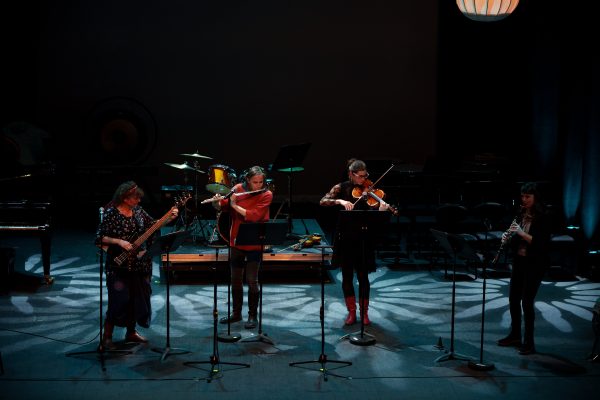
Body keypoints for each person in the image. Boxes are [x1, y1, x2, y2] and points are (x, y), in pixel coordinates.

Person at [96, 181, 178, 349]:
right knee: (118, 301)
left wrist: (168, 218)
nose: (139, 201)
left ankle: (131, 332)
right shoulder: (112, 213)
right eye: (135, 198)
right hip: (119, 265)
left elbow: (152, 226)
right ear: (125, 198)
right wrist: (119, 241)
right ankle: (107, 337)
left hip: (140, 264)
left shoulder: (139, 212)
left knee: (137, 299)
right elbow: (100, 237)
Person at [319, 159, 390, 326]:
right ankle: (351, 312)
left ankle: (364, 313)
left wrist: (381, 209)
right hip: (345, 238)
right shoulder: (340, 187)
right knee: (347, 276)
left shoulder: (369, 189)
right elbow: (323, 201)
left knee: (363, 277)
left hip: (364, 238)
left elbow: (375, 211)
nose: (363, 180)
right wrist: (340, 201)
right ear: (351, 174)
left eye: (365, 176)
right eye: (360, 177)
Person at [212, 166, 273, 329]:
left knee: (252, 280)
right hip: (236, 241)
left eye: (261, 182)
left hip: (254, 241)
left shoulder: (267, 194)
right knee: (235, 280)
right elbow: (223, 206)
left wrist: (234, 205)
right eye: (255, 182)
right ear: (247, 180)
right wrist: (218, 201)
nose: (258, 185)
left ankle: (253, 316)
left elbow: (254, 215)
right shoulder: (237, 189)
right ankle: (236, 313)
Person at [497, 182, 551, 355]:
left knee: (527, 302)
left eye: (528, 196)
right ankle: (515, 335)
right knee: (513, 299)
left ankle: (529, 342)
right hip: (520, 261)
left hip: (535, 264)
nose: (524, 199)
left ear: (536, 197)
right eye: (522, 196)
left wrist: (520, 233)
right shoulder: (520, 213)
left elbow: (541, 243)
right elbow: (516, 238)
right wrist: (508, 237)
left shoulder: (544, 216)